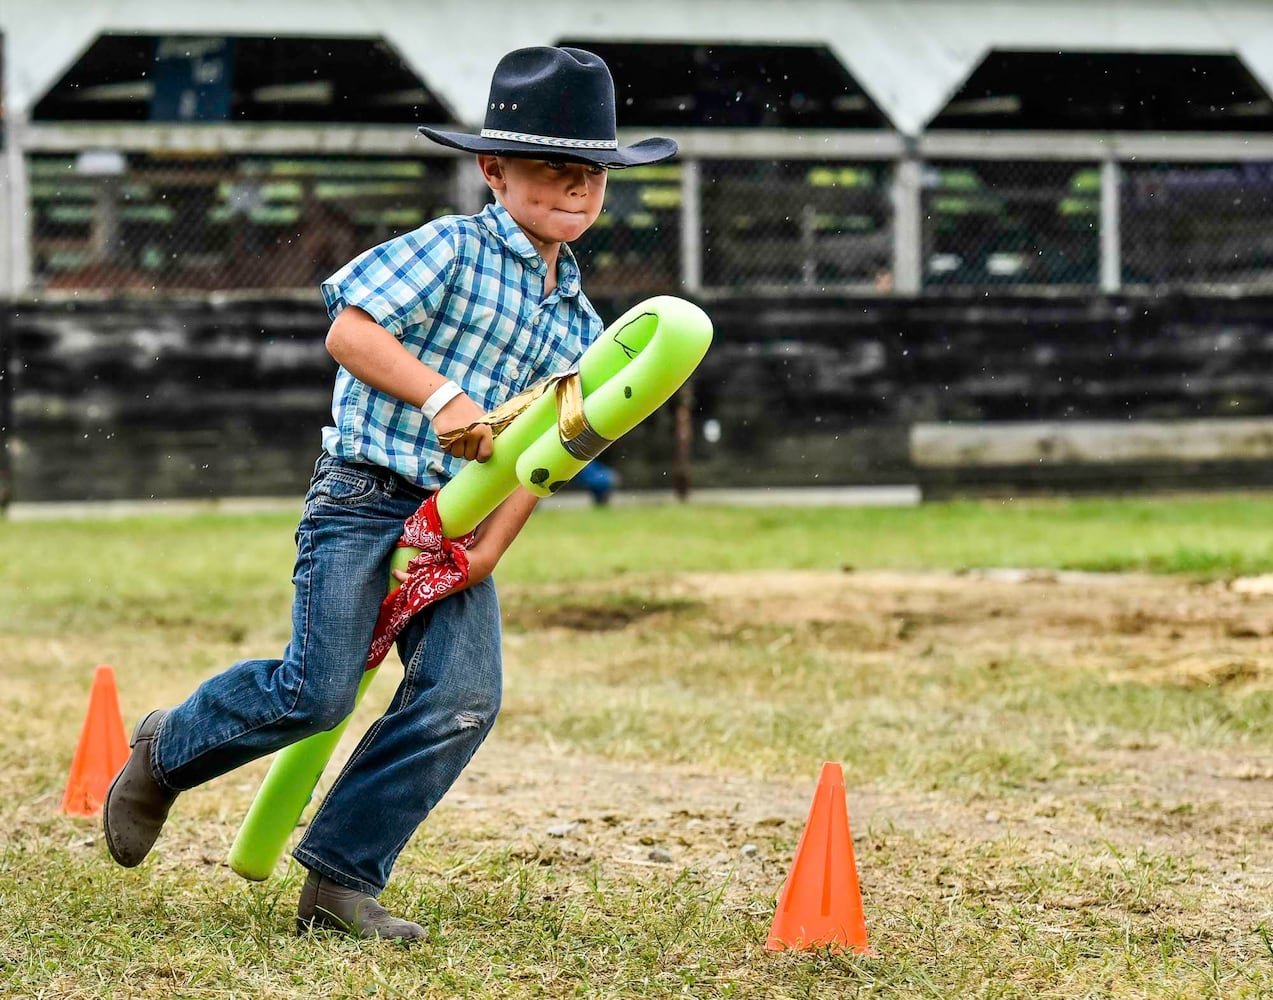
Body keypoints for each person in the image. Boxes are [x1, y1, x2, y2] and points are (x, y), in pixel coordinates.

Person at [102, 46, 677, 941]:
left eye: (591, 174)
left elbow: (549, 445)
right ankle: (165, 750)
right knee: (317, 691)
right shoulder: (448, 248)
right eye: (550, 168)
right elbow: (350, 332)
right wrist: (441, 398)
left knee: (461, 699)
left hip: (460, 526)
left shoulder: (580, 320)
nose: (574, 189)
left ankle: (340, 886)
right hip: (367, 495)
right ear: (492, 169)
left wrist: (493, 541)